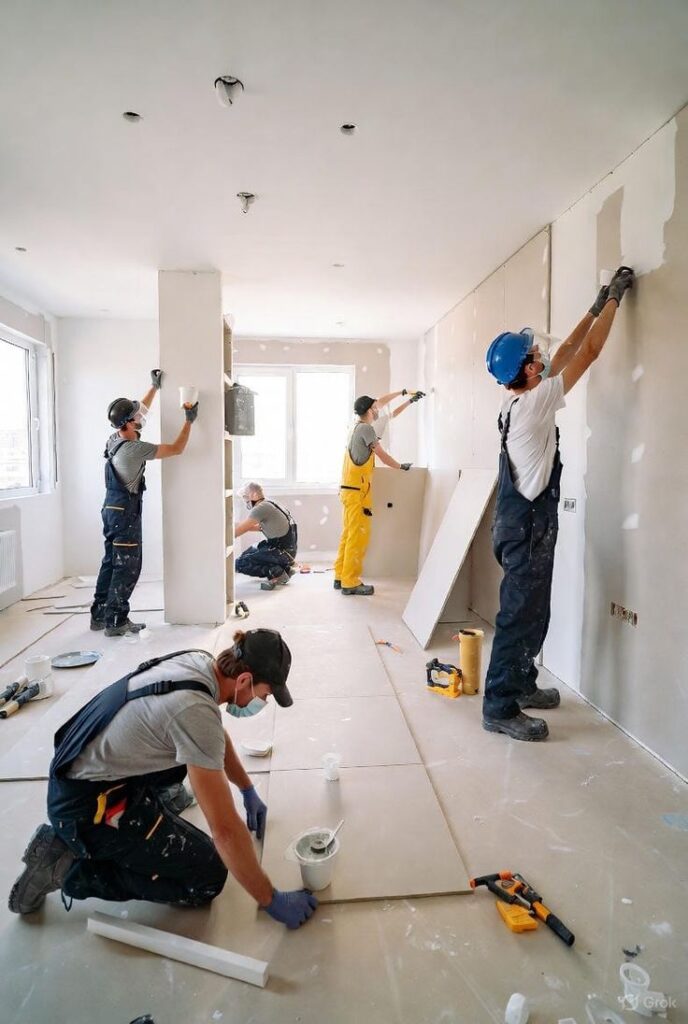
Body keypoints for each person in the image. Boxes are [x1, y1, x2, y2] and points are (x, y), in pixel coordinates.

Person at [8, 628, 318, 930]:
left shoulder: (199, 663)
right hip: (86, 806)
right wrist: (270, 899)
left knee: (184, 771)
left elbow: (213, 739)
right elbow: (224, 830)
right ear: (245, 680)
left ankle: (145, 807)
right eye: (265, 694)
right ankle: (65, 869)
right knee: (207, 875)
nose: (264, 702)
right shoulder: (195, 712)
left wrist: (246, 788)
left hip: (86, 768)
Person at [482, 266, 634, 741]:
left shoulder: (517, 400)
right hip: (526, 529)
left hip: (519, 524)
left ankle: (522, 685)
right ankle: (500, 706)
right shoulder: (534, 405)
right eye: (534, 356)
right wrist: (615, 302)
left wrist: (592, 307)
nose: (542, 356)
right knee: (517, 617)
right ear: (527, 370)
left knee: (535, 611)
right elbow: (587, 353)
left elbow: (566, 352)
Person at [89, 370, 198, 637]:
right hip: (124, 514)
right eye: (136, 417)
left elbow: (143, 408)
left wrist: (154, 387)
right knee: (127, 566)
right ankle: (116, 621)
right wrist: (189, 421)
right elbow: (176, 449)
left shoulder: (115, 438)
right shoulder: (135, 448)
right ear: (127, 423)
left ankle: (100, 615)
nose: (142, 418)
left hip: (110, 509)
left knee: (110, 562)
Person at [334, 392, 423, 596]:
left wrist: (405, 396)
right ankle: (350, 582)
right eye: (375, 407)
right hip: (357, 493)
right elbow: (382, 455)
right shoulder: (366, 429)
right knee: (358, 538)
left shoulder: (354, 427)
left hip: (349, 490)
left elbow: (382, 402)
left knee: (348, 535)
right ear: (368, 410)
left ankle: (340, 576)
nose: (378, 409)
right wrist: (401, 466)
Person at [234, 483, 298, 591]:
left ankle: (277, 572)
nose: (245, 501)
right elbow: (260, 527)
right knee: (248, 553)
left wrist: (223, 538)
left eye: (246, 497)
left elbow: (239, 530)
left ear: (254, 494)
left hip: (281, 551)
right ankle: (285, 568)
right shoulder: (270, 503)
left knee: (240, 563)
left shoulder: (260, 508)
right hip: (286, 550)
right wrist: (240, 526)